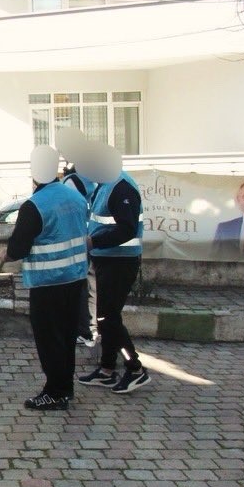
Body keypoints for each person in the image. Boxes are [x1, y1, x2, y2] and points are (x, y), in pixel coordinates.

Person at [2, 176, 89, 411]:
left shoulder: (34, 205)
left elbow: (18, 247)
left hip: (48, 282)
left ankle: (55, 392)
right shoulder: (76, 197)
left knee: (50, 339)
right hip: (75, 278)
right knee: (66, 336)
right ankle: (65, 387)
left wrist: (7, 254)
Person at [78, 169, 151, 394]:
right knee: (104, 318)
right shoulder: (105, 183)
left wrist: (94, 241)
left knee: (108, 319)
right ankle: (107, 370)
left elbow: (126, 229)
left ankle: (135, 368)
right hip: (106, 259)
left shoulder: (122, 186)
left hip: (120, 261)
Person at [62, 164, 98, 347]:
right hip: (92, 237)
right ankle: (90, 327)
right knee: (90, 286)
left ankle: (83, 329)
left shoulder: (71, 182)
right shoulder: (96, 183)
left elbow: (66, 213)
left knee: (79, 286)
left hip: (77, 240)